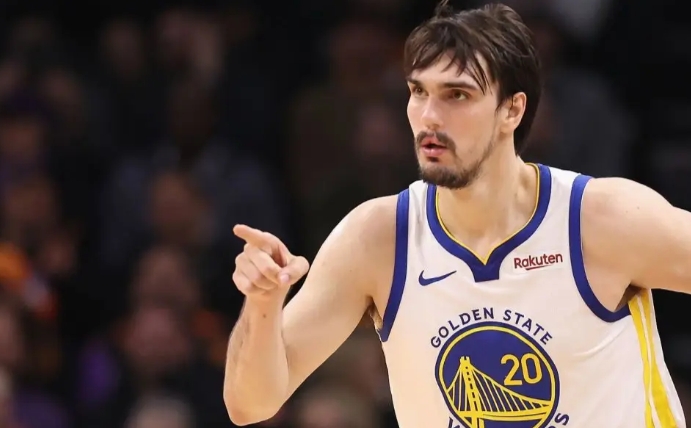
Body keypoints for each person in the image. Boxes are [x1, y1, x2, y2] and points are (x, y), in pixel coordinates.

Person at [222, 2, 689, 428]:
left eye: (457, 95)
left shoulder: (600, 220)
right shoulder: (378, 239)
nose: (429, 116)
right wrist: (263, 302)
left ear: (512, 110)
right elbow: (250, 405)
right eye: (418, 91)